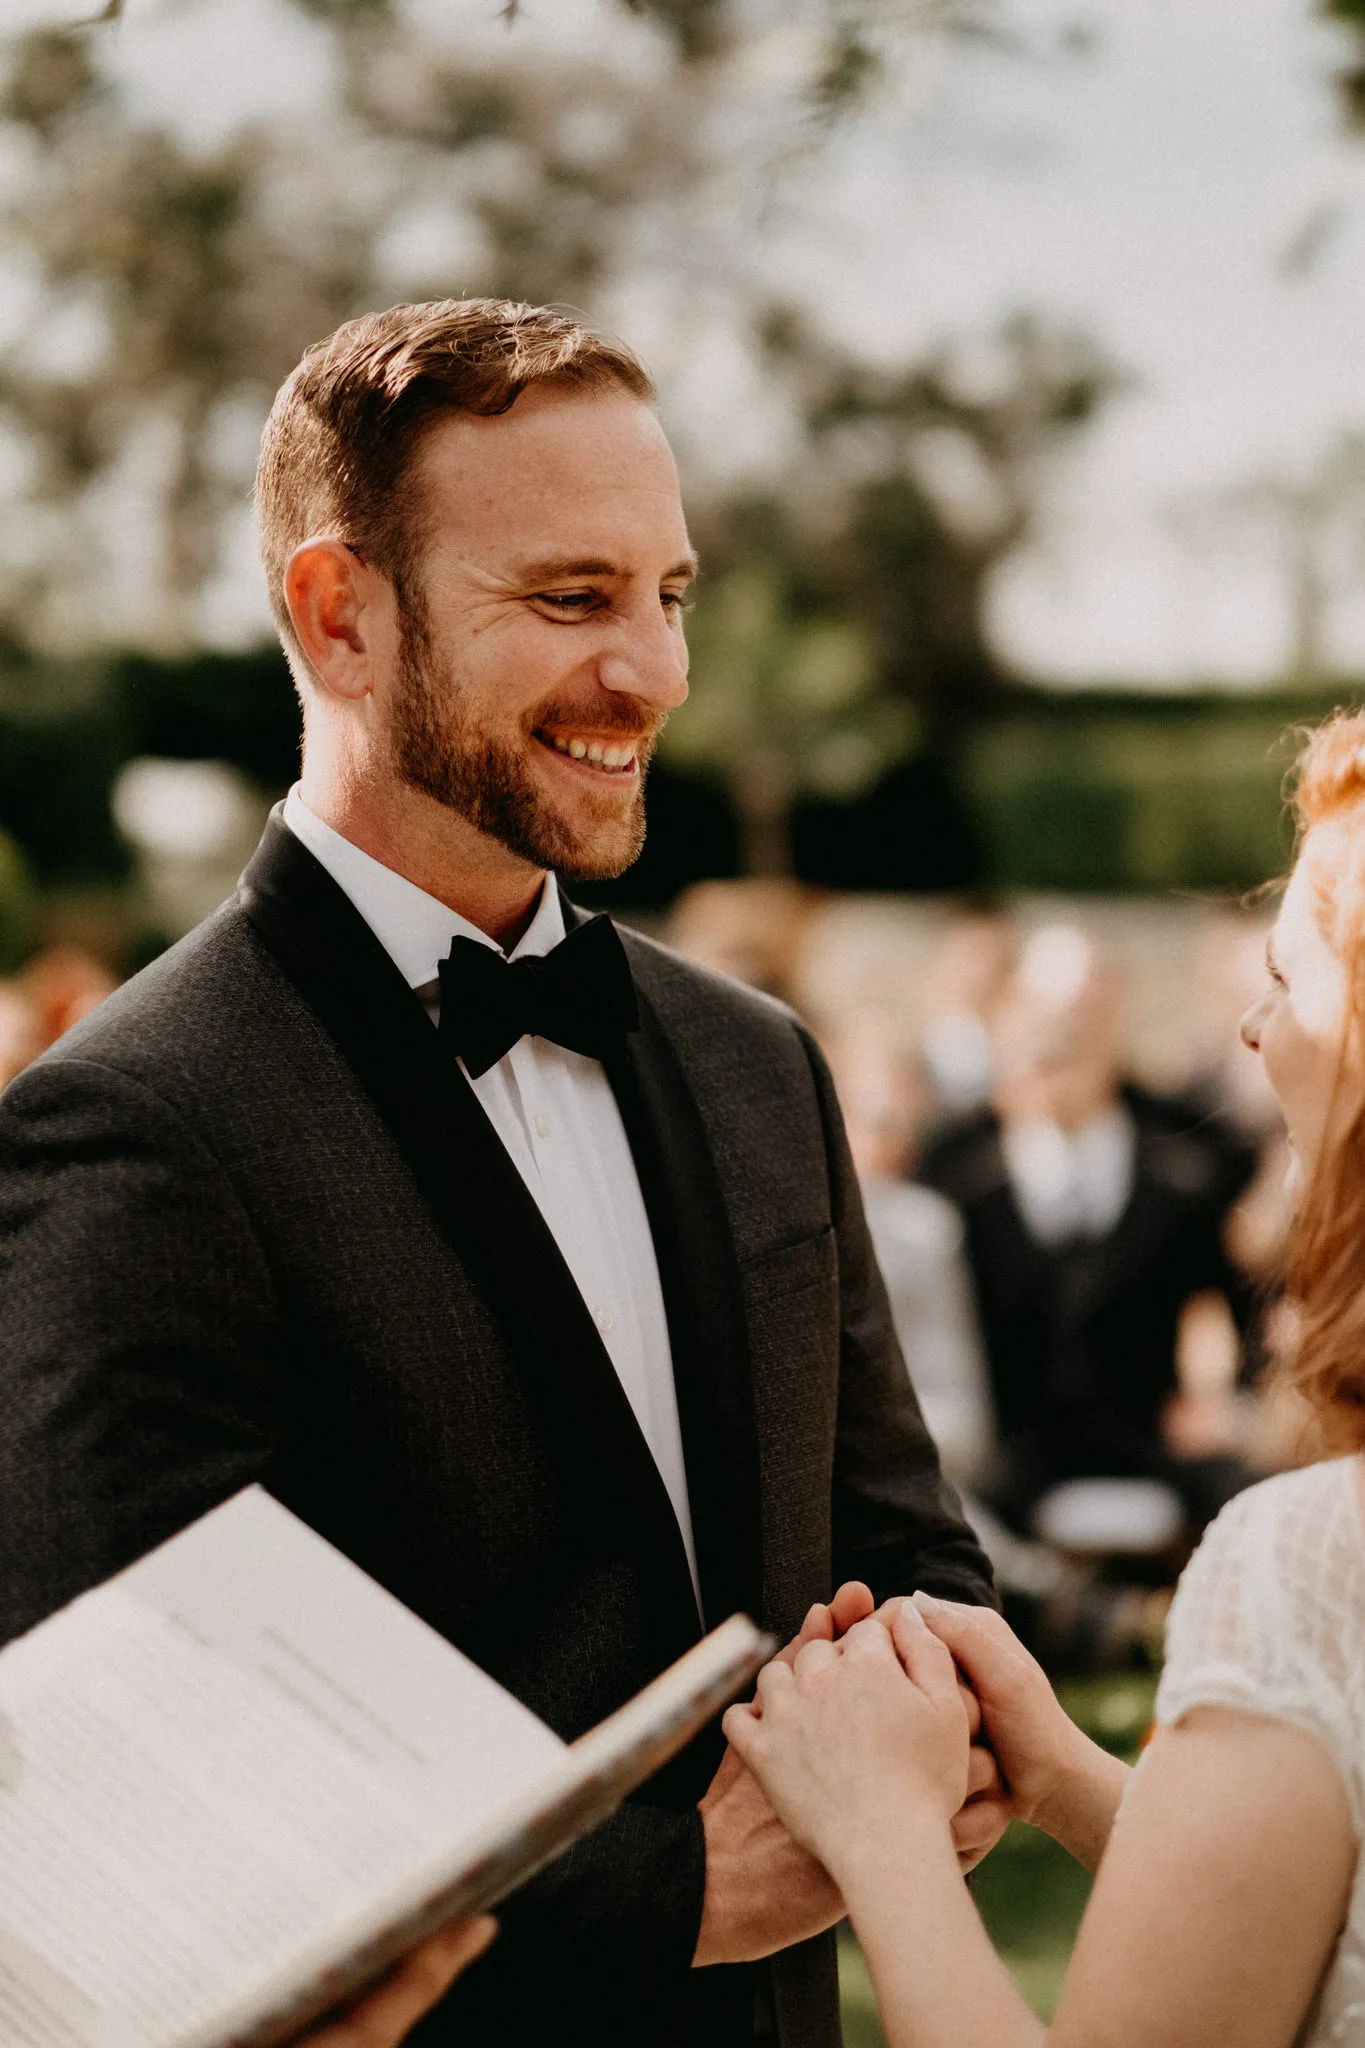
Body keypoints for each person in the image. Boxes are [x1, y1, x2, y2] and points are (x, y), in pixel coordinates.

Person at [0, 299, 999, 2048]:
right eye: (570, 599)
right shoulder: (133, 1123)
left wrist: (940, 1724)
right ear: (341, 613)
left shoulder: (756, 1063)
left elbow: (908, 1553)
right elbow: (129, 1793)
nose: (657, 674)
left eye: (667, 593)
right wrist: (680, 1893)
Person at [723, 705, 1365, 2048]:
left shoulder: (1309, 1561)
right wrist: (1070, 1773)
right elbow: (1308, 1910)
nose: (1248, 1032)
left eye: (1290, 980)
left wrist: (879, 1828)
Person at [920, 922, 1255, 1539]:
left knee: (1253, 1499)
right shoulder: (953, 1172)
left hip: (1148, 1435)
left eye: (1081, 1015)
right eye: (1043, 1015)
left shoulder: (1185, 1163)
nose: (1060, 1038)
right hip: (1009, 1453)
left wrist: (1235, 1403)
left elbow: (1244, 1298)